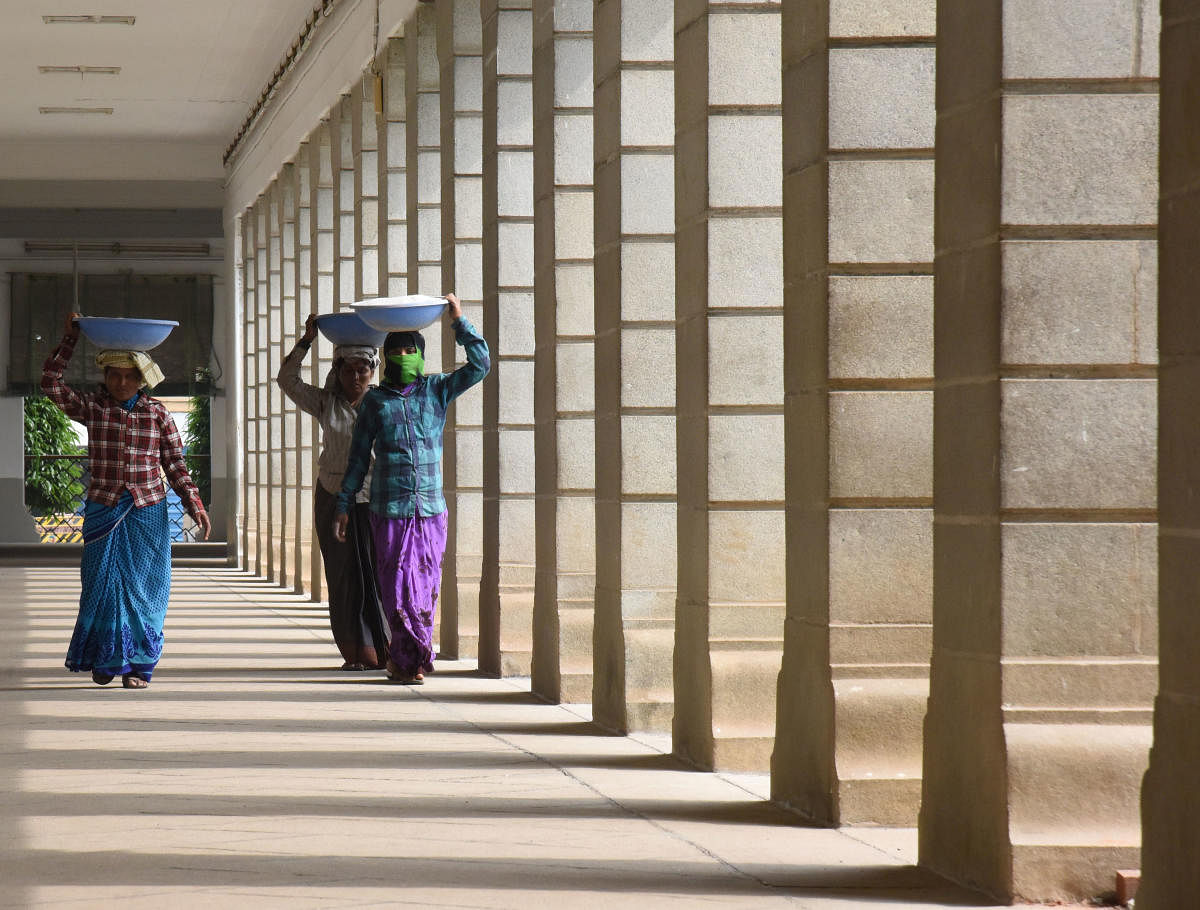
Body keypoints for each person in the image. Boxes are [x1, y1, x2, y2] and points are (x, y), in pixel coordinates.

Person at [42, 311, 211, 689]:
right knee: (99, 583)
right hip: (104, 508)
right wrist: (69, 340)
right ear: (104, 377)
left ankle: (139, 666)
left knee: (148, 587)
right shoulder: (93, 408)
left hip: (148, 511)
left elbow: (176, 465)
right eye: (114, 375)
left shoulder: (158, 415)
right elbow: (50, 383)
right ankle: (106, 656)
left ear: (141, 379)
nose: (121, 382)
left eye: (129, 376)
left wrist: (193, 504)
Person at [334, 293, 488, 684]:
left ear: (420, 354)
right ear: (386, 359)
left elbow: (480, 365)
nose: (403, 355)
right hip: (389, 511)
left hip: (430, 511)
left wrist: (459, 322)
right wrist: (343, 505)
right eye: (396, 350)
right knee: (397, 589)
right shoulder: (374, 403)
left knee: (423, 591)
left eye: (409, 349)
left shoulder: (438, 390)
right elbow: (356, 459)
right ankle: (405, 659)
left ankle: (409, 659)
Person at [277, 315, 389, 670]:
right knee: (343, 577)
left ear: (373, 372)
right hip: (332, 495)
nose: (355, 377)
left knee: (376, 572)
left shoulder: (384, 404)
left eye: (362, 370)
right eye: (348, 370)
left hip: (374, 499)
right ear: (337, 372)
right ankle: (353, 650)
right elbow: (287, 380)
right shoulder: (327, 403)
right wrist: (306, 341)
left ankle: (382, 647)